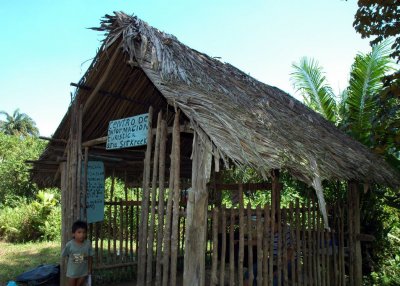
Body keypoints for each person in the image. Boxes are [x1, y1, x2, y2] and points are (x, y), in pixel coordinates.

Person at [61, 220, 93, 286]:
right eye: (79, 232)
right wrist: (76, 258)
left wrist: (89, 269)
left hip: (83, 271)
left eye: (84, 232)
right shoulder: (69, 245)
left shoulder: (88, 244)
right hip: (72, 272)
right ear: (73, 234)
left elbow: (90, 257)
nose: (82, 234)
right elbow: (65, 254)